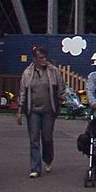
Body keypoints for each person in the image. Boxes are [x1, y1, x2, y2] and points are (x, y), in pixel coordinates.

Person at [16, 46, 65, 178]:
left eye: (45, 57)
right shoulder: (27, 73)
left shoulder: (53, 71)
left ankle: (48, 159)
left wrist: (61, 100)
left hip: (49, 109)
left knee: (47, 138)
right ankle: (35, 168)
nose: (44, 60)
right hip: (33, 110)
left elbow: (61, 88)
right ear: (35, 59)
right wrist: (20, 110)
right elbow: (22, 92)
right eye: (41, 58)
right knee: (34, 139)